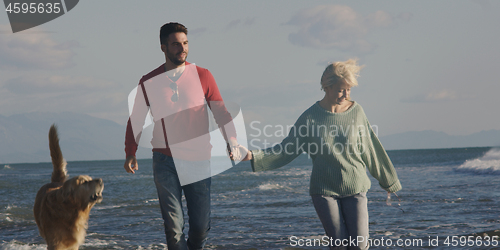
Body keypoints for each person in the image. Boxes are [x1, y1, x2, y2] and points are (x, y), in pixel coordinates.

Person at [237, 59, 402, 250]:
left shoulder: (357, 112)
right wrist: (252, 155)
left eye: (349, 89)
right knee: (339, 246)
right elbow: (286, 149)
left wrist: (389, 180)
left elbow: (371, 148)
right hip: (324, 192)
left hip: (356, 187)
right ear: (327, 87)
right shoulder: (310, 118)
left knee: (359, 246)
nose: (346, 94)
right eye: (341, 89)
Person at [124, 22, 239, 250]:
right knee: (174, 227)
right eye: (176, 44)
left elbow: (220, 111)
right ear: (163, 47)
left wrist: (231, 140)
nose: (182, 48)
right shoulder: (149, 81)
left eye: (185, 43)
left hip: (198, 159)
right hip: (165, 161)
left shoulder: (203, 76)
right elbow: (136, 119)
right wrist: (130, 152)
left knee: (200, 227)